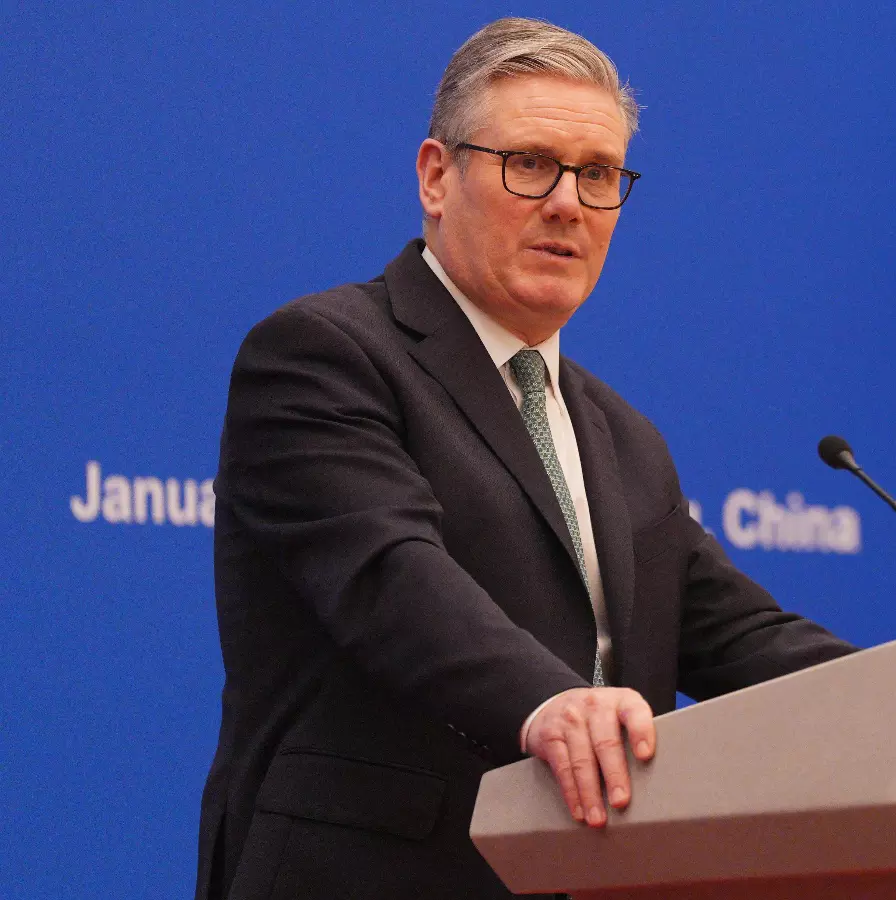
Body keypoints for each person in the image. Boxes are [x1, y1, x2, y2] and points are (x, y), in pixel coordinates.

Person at [194, 17, 857, 900]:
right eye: (531, 164)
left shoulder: (623, 436)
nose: (568, 204)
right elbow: (392, 578)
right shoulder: (324, 355)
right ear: (437, 176)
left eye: (599, 174)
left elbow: (739, 636)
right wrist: (549, 703)